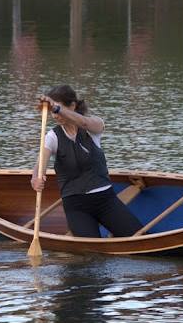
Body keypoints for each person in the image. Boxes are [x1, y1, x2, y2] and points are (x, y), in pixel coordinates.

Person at [30, 85, 144, 238]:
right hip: (76, 205)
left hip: (105, 200)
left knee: (138, 238)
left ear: (72, 106)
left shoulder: (94, 126)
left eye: (58, 109)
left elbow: (84, 123)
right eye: (52, 111)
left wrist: (56, 108)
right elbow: (39, 167)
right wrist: (36, 178)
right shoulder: (52, 137)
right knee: (90, 255)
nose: (55, 115)